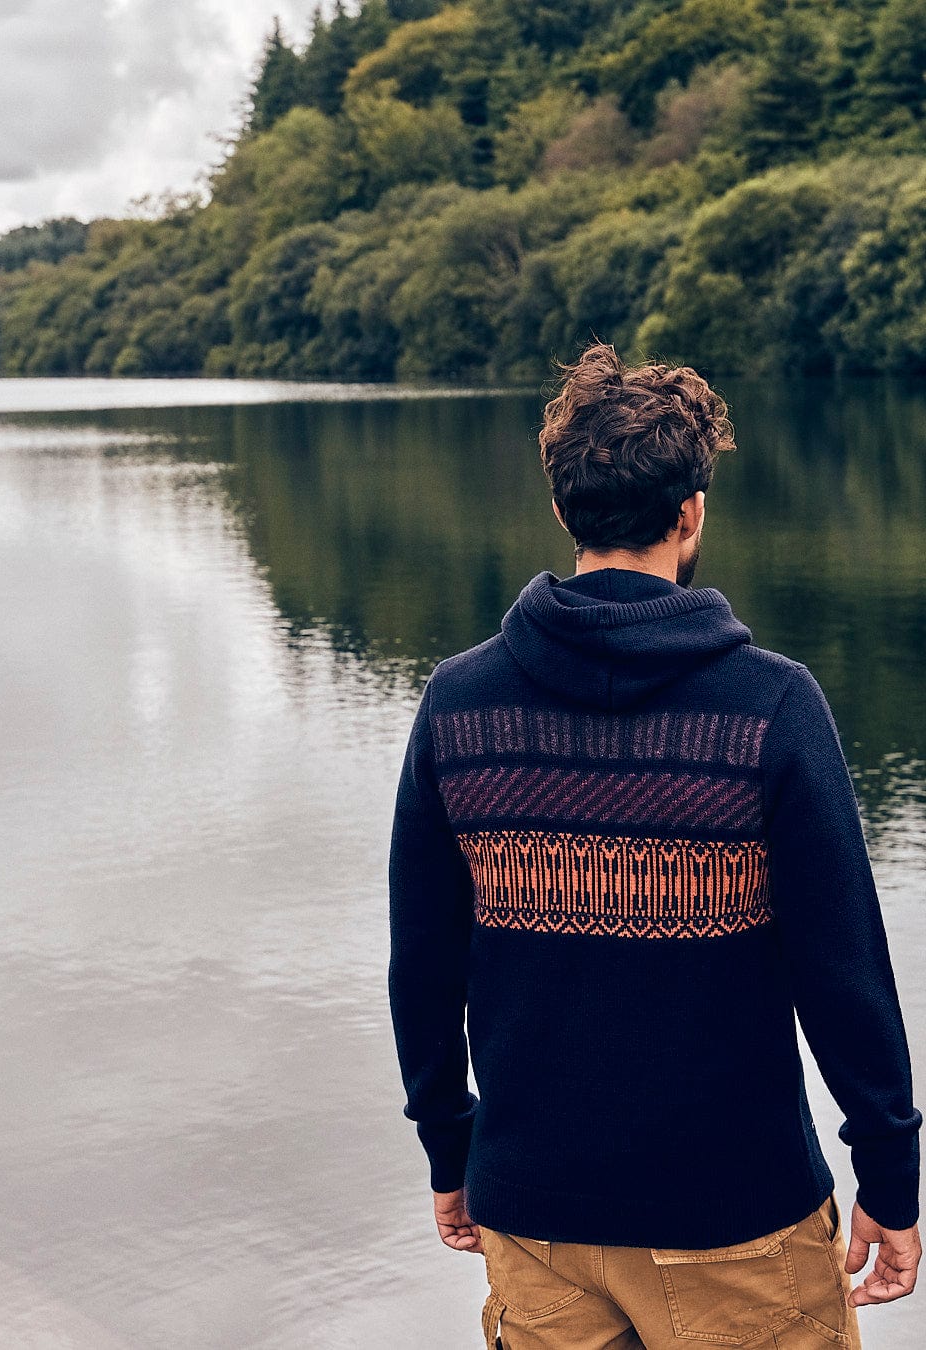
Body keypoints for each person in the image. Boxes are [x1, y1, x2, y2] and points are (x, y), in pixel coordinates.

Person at [387, 340, 922, 1348]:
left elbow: (423, 966)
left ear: (563, 510)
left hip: (534, 1214)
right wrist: (891, 1177)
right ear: (692, 512)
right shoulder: (770, 707)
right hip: (738, 1220)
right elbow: (842, 973)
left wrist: (448, 1150)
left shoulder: (459, 705)